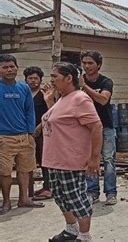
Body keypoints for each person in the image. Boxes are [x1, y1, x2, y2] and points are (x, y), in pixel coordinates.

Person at [42, 62, 103, 242]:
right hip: (54, 159)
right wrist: (49, 102)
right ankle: (71, 229)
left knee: (76, 199)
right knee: (60, 197)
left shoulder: (80, 98)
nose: (51, 80)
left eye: (55, 77)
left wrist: (94, 158)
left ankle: (84, 236)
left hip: (71, 160)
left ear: (69, 78)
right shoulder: (62, 98)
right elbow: (57, 122)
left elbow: (96, 127)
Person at [0, 54, 44, 215]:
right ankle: (6, 202)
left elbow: (29, 111)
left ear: (17, 67)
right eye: (5, 67)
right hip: (3, 138)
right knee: (4, 172)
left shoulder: (23, 88)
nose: (9, 69)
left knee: (25, 169)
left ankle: (24, 198)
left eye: (12, 66)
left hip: (24, 136)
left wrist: (30, 133)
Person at [80, 50, 117, 205]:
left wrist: (85, 88)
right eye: (84, 63)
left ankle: (111, 193)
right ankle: (92, 193)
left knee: (108, 160)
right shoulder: (78, 81)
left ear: (99, 65)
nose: (87, 66)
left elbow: (103, 100)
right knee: (90, 161)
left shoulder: (106, 82)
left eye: (90, 63)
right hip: (86, 128)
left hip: (105, 127)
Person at [23, 66, 51, 200]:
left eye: (36, 78)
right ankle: (28, 190)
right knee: (28, 161)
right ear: (26, 79)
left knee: (45, 160)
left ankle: (48, 187)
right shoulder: (23, 93)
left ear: (40, 80)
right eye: (30, 78)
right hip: (26, 132)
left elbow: (49, 112)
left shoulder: (44, 94)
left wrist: (39, 127)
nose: (33, 81)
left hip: (43, 131)